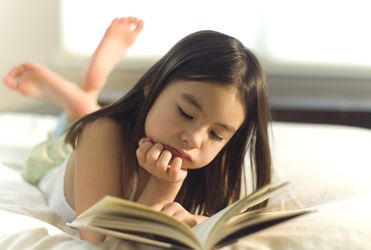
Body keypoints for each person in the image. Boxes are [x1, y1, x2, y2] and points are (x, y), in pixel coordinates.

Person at [3, 16, 272, 244]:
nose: (194, 138)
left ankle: (85, 97)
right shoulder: (101, 133)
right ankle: (81, 100)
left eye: (216, 135)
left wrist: (195, 220)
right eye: (186, 113)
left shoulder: (211, 164)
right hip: (54, 159)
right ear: (152, 86)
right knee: (82, 124)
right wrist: (163, 187)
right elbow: (99, 240)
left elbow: (235, 219)